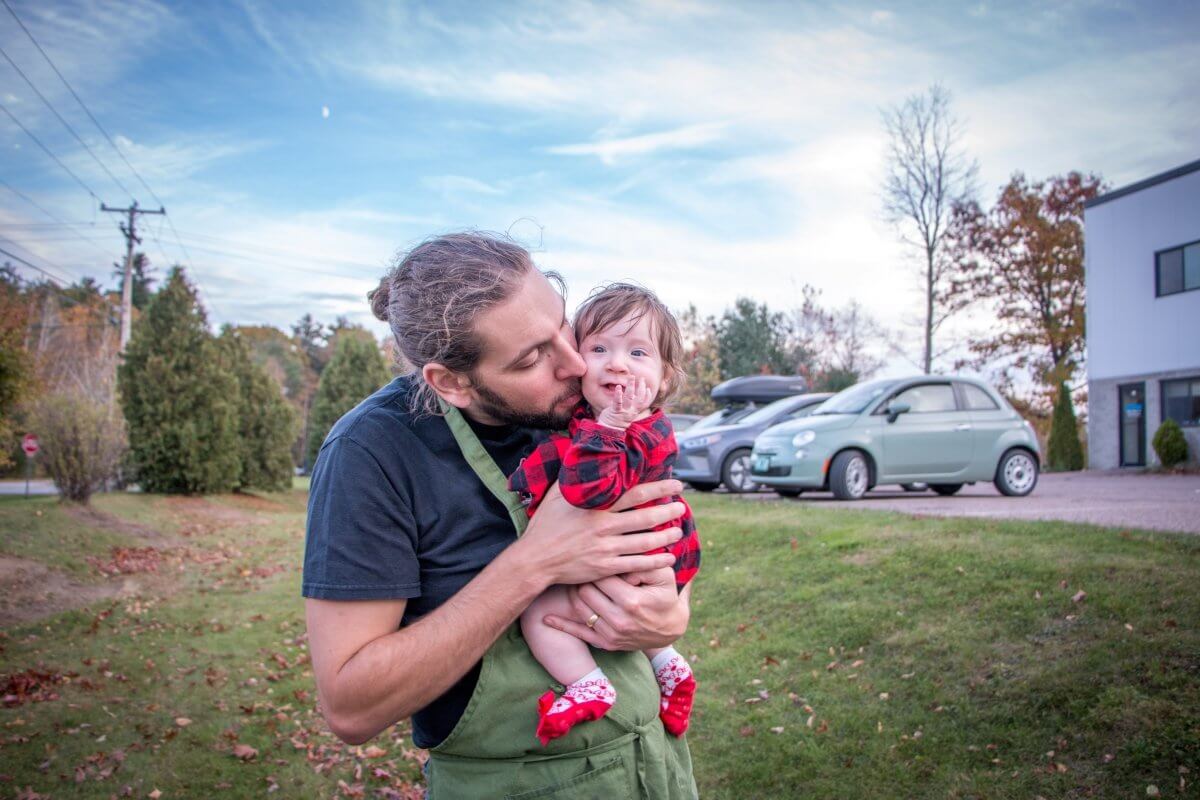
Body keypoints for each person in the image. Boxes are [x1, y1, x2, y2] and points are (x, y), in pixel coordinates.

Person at [302, 232, 698, 799]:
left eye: (563, 327)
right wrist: (533, 564)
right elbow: (350, 705)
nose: (573, 363)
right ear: (452, 382)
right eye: (533, 357)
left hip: (652, 764)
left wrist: (670, 615)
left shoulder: (580, 407)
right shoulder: (371, 454)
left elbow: (661, 520)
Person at [507, 284, 700, 746]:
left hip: (634, 558)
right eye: (598, 348)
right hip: (638, 558)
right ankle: (668, 663)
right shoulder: (588, 421)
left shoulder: (639, 432)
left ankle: (587, 682)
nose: (616, 363)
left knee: (540, 615)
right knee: (623, 612)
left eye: (637, 352)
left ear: (665, 379)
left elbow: (589, 490)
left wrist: (610, 427)